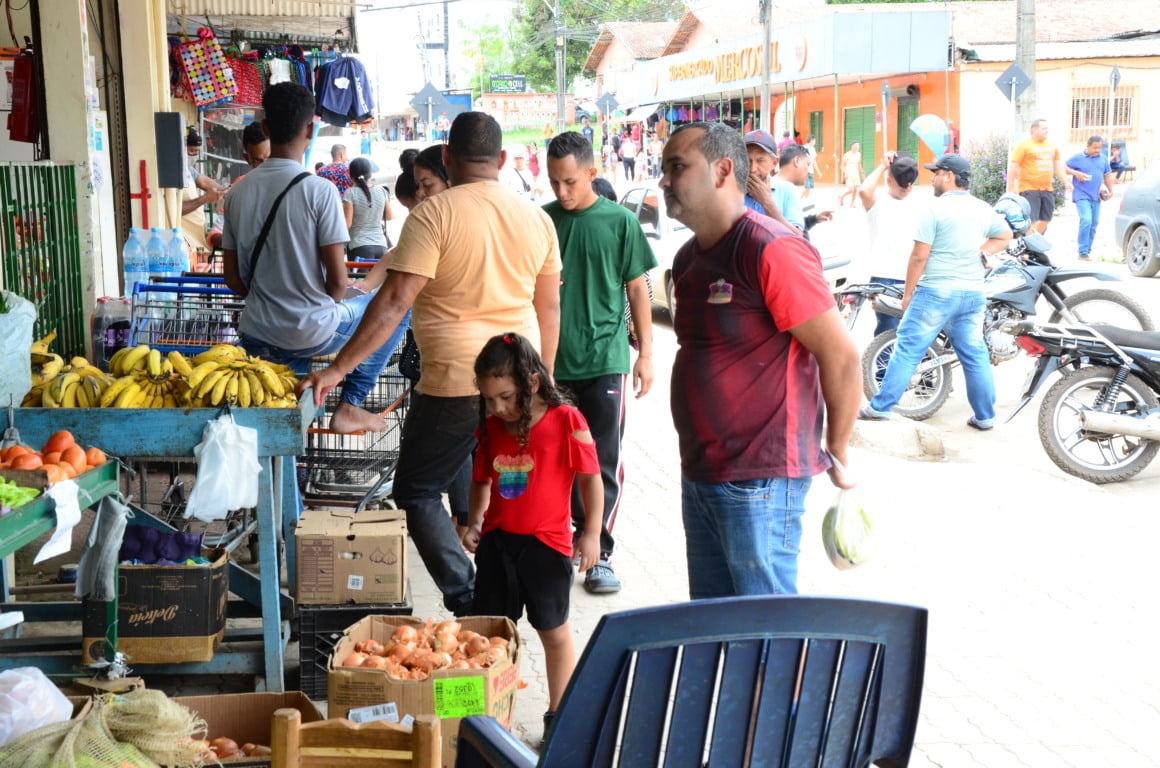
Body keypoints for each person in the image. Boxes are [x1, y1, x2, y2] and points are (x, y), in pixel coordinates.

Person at [297, 111, 562, 616]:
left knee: (417, 492)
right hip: (522, 379)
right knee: (503, 490)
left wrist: (336, 371)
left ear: (446, 156)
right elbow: (549, 307)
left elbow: (394, 301)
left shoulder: (434, 215)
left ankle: (469, 598)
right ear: (502, 160)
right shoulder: (537, 218)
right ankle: (502, 597)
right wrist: (543, 381)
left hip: (456, 380)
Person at [659, 122, 860, 597]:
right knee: (714, 624)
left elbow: (842, 358)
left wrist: (839, 446)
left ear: (723, 170)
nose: (664, 181)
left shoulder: (770, 248)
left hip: (761, 480)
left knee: (764, 632)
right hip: (702, 471)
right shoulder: (688, 258)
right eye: (664, 169)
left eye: (677, 168)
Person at [220, 82, 405, 435]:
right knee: (397, 306)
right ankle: (350, 404)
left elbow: (233, 279)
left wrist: (271, 298)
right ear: (310, 128)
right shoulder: (320, 192)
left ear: (267, 128)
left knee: (279, 428)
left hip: (257, 330)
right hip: (313, 330)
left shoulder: (237, 193)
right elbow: (337, 284)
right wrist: (314, 300)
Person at [464, 332, 602, 743]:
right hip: (497, 545)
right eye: (489, 399)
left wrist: (592, 532)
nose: (498, 408)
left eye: (505, 396)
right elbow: (480, 480)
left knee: (554, 633)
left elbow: (591, 480)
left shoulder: (567, 420)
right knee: (488, 635)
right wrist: (473, 522)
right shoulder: (491, 427)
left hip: (547, 548)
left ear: (533, 383)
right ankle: (482, 720)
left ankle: (558, 718)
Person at [543, 131, 657, 595]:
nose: (562, 192)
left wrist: (646, 353)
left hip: (606, 362)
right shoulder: (543, 221)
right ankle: (557, 545)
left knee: (600, 461)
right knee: (553, 461)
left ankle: (600, 553)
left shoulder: (619, 222)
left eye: (570, 181)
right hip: (551, 365)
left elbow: (637, 290)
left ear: (592, 172)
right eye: (554, 183)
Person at [859, 154, 1012, 430]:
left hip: (937, 292)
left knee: (907, 347)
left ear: (949, 176)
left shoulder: (934, 209)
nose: (932, 178)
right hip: (972, 293)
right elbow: (1005, 235)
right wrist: (983, 252)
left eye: (936, 173)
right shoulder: (981, 208)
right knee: (974, 353)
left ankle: (880, 408)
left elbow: (919, 256)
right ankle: (985, 417)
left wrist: (907, 294)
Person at [857, 151, 920, 335]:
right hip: (884, 278)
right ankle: (884, 365)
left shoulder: (918, 205)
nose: (907, 188)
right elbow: (863, 190)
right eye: (903, 184)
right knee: (888, 333)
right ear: (889, 180)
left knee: (909, 334)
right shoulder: (878, 202)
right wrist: (883, 166)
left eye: (909, 184)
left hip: (911, 278)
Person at [1007, 118, 1071, 234]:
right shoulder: (1024, 146)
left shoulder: (1052, 146)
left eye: (1047, 128)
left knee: (1046, 219)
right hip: (1029, 189)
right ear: (1034, 130)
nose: (1047, 131)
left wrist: (1066, 182)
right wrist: (1011, 188)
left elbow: (1057, 166)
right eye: (1044, 128)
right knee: (1033, 220)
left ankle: (1034, 241)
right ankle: (1029, 246)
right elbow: (1013, 166)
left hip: (1047, 189)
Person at [1064, 135, 1115, 261]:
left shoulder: (1103, 158)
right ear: (1088, 146)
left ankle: (1087, 251)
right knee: (1086, 220)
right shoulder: (1078, 158)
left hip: (1096, 196)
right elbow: (1063, 167)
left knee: (1094, 223)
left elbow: (1107, 175)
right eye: (1094, 147)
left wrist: (1111, 191)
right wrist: (1076, 173)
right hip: (1081, 195)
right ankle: (1082, 251)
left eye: (1099, 147)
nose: (1097, 150)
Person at [768, 144, 834, 238]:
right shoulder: (788, 188)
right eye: (807, 164)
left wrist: (815, 219)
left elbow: (791, 223)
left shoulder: (772, 184)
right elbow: (795, 233)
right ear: (797, 161)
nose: (809, 171)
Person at [741, 130, 801, 233]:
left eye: (760, 161)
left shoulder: (787, 191)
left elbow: (797, 237)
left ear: (774, 163)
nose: (752, 169)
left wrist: (766, 202)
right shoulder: (732, 192)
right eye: (747, 160)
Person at [181, 127, 227, 260]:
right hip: (184, 238)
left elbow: (206, 183)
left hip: (196, 237)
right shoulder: (174, 174)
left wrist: (227, 191)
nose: (194, 155)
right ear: (182, 149)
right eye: (192, 151)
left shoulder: (189, 170)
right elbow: (175, 209)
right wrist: (205, 198)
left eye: (197, 152)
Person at [343, 156, 393, 261]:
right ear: (370, 174)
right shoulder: (381, 191)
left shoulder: (350, 193)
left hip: (359, 247)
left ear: (350, 175)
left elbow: (347, 224)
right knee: (379, 278)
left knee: (360, 278)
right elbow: (389, 216)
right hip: (381, 246)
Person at [838, 141, 862, 208]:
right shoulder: (847, 155)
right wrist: (845, 173)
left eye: (858, 146)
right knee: (851, 189)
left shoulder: (859, 154)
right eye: (856, 146)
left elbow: (859, 164)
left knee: (856, 190)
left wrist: (862, 173)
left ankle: (852, 204)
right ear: (852, 146)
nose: (858, 147)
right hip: (849, 174)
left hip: (856, 175)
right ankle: (841, 196)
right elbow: (842, 166)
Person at [802, 134, 820, 199]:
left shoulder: (813, 149)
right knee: (807, 187)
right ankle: (800, 199)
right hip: (805, 170)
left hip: (811, 170)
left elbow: (814, 161)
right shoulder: (804, 148)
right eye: (814, 140)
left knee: (809, 188)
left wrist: (818, 172)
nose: (815, 142)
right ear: (811, 140)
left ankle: (805, 200)